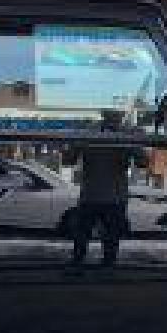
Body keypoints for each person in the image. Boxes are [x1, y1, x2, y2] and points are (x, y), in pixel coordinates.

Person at [62, 110, 146, 266]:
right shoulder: (92, 133)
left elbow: (68, 160)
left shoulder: (91, 133)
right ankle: (88, 265)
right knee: (95, 237)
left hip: (100, 195)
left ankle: (86, 265)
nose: (114, 117)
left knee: (99, 237)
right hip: (103, 195)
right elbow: (143, 162)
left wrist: (135, 143)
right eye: (113, 114)